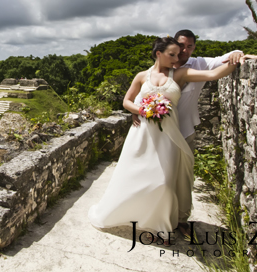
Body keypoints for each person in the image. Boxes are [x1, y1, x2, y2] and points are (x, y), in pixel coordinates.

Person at [88, 37, 246, 243]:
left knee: (164, 182)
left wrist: (236, 56)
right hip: (143, 134)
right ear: (158, 54)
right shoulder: (141, 76)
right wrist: (143, 109)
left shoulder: (180, 74)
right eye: (172, 54)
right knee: (137, 175)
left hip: (169, 136)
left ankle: (161, 227)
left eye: (178, 55)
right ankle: (134, 216)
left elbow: (214, 73)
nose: (177, 58)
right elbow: (126, 101)